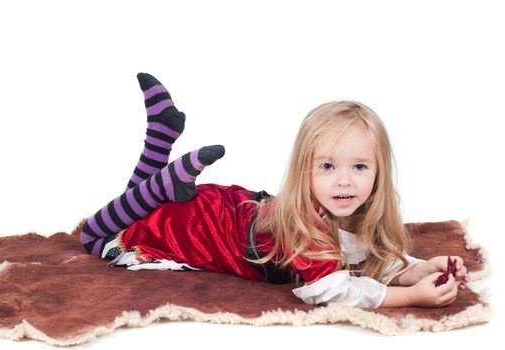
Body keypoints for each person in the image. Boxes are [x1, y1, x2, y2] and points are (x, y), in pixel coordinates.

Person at [80, 73, 470, 308]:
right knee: (95, 235)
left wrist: (414, 268)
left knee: (136, 201)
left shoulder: (356, 209)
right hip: (183, 230)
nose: (345, 180)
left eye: (360, 166)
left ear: (379, 172)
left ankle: (161, 140)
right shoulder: (307, 226)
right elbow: (331, 290)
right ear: (306, 171)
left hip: (226, 211)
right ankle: (163, 161)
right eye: (328, 166)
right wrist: (407, 297)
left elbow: (365, 254)